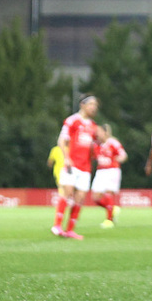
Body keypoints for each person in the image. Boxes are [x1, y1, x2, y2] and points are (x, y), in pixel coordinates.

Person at [53, 95, 99, 240]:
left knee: (80, 198)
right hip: (72, 164)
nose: (94, 107)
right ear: (82, 105)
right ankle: (57, 225)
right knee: (67, 192)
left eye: (95, 105)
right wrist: (66, 158)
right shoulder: (72, 121)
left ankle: (70, 230)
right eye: (91, 104)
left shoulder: (93, 126)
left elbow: (92, 147)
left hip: (85, 166)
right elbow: (61, 140)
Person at [92, 124, 127, 228]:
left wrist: (119, 159)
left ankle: (109, 220)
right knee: (96, 197)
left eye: (99, 131)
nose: (97, 133)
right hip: (100, 171)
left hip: (112, 170)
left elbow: (123, 155)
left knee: (108, 193)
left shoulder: (113, 143)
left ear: (105, 132)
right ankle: (113, 209)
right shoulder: (96, 144)